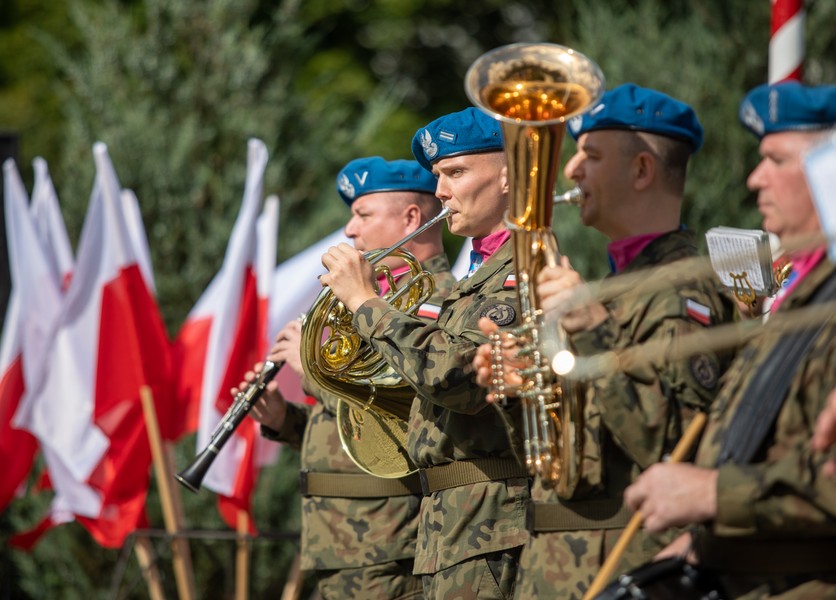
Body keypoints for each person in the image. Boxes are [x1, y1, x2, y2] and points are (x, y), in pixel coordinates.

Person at [472, 83, 736, 597]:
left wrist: (592, 327)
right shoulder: (621, 285)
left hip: (619, 565)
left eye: (590, 156)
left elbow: (673, 447)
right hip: (559, 566)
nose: (571, 169)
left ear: (641, 170)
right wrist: (522, 389)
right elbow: (570, 453)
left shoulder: (682, 291)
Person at [623, 81, 836, 599]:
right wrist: (703, 540)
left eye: (777, 160)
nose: (755, 178)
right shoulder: (807, 289)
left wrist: (713, 493)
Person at [318, 107, 529, 599]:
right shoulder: (480, 274)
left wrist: (365, 303)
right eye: (438, 176)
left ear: (508, 177)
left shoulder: (524, 270)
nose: (440, 191)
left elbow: (457, 379)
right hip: (450, 528)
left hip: (489, 524)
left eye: (455, 172)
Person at [247, 156, 455, 600]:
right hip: (340, 539)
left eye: (363, 214)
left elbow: (409, 406)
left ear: (411, 219)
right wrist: (285, 420)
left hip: (388, 538)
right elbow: (360, 428)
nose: (349, 229)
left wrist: (310, 371)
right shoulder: (370, 301)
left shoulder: (437, 300)